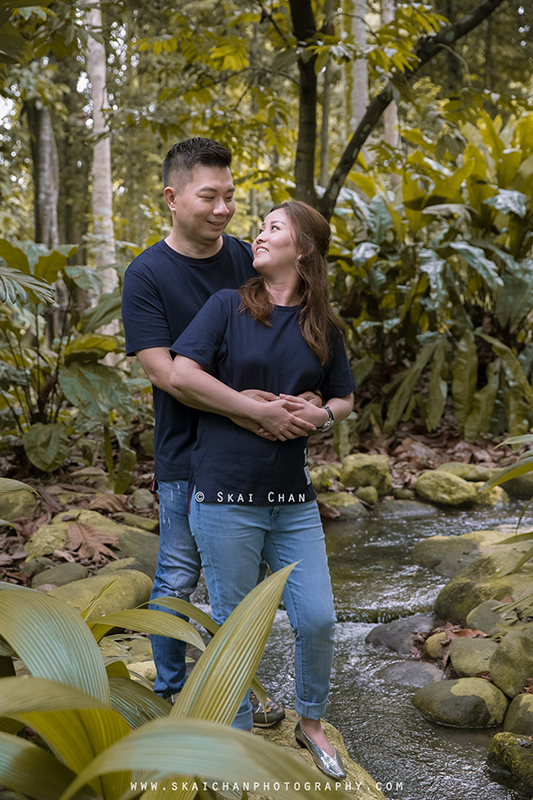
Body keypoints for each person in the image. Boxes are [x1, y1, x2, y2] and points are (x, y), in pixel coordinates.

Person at [121, 138, 312, 724]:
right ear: (174, 198)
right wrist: (247, 410)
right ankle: (174, 690)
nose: (225, 208)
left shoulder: (244, 258)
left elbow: (286, 331)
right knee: (179, 570)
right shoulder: (147, 274)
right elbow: (166, 374)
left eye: (231, 195)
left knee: (243, 588)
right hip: (187, 452)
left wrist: (304, 399)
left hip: (256, 455)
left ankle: (237, 688)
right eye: (210, 196)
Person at [169, 201, 356, 779]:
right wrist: (254, 410)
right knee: (234, 627)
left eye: (274, 227)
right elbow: (182, 372)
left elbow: (343, 397)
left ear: (302, 250)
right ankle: (240, 738)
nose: (259, 233)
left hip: (292, 500)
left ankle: (311, 723)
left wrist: (317, 413)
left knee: (318, 619)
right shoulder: (228, 305)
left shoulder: (322, 324)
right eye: (262, 226)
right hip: (226, 493)